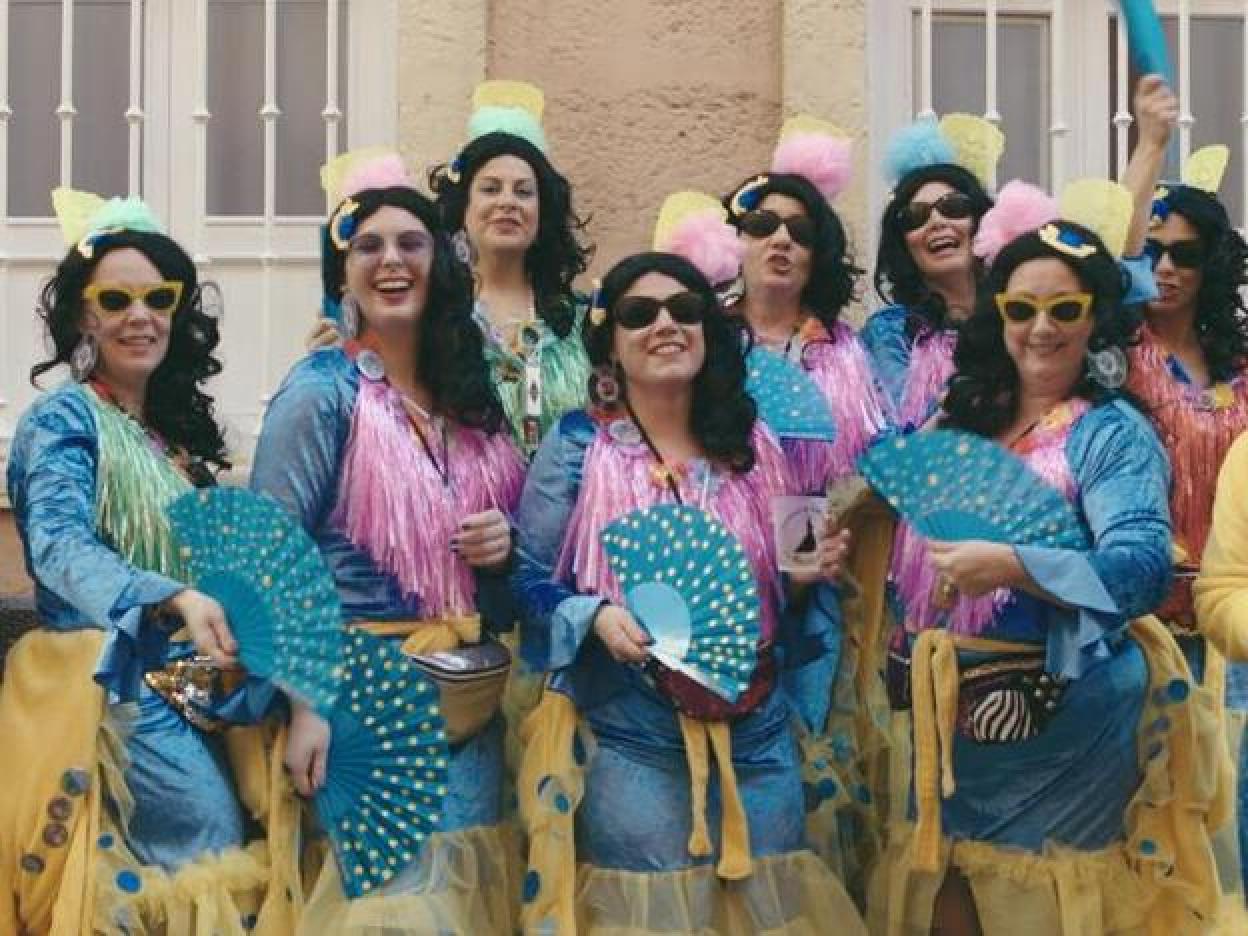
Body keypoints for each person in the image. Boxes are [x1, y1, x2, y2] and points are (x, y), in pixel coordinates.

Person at [870, 185, 1226, 935]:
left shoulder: (1110, 433)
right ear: (997, 315)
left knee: (1044, 908)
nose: (1040, 328)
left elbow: (1140, 569)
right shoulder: (961, 418)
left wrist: (1013, 564)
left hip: (1062, 721)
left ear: (1096, 319)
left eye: (1064, 309)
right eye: (1021, 308)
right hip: (946, 722)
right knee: (946, 904)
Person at [510, 245, 866, 934]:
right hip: (630, 731)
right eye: (640, 313)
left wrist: (804, 579)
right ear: (610, 346)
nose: (665, 324)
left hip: (757, 728)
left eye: (685, 309)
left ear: (709, 329)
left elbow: (798, 589)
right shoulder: (576, 446)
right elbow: (524, 581)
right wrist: (593, 613)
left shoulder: (761, 443)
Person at [1, 190, 297, 933]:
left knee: (258, 830)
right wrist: (171, 595)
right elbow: (59, 548)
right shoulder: (64, 418)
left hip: (198, 683)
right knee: (205, 837)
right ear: (84, 316)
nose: (140, 315)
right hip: (111, 679)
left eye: (158, 297)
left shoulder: (173, 435)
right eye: (116, 299)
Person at [250, 151, 526, 933]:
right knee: (393, 907)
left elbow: (520, 566)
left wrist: (503, 546)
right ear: (342, 274)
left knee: (465, 897)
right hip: (364, 703)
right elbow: (271, 559)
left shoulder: (470, 399)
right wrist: (307, 706)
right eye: (367, 246)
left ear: (442, 264)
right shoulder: (319, 393)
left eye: (411, 243)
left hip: (471, 702)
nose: (391, 260)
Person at [722, 117, 893, 891]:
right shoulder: (702, 340)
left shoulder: (844, 352)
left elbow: (870, 464)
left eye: (800, 229)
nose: (781, 240)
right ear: (736, 242)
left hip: (823, 573)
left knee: (810, 750)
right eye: (762, 224)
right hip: (724, 573)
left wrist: (823, 531)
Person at [428, 80, 594, 452]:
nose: (508, 203)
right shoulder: (432, 314)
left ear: (542, 213)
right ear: (462, 208)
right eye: (490, 189)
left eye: (523, 192)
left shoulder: (580, 324)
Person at [860, 115, 999, 429]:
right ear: (903, 244)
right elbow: (893, 439)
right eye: (916, 216)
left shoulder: (1019, 317)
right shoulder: (891, 333)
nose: (937, 222)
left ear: (980, 221)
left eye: (954, 207)